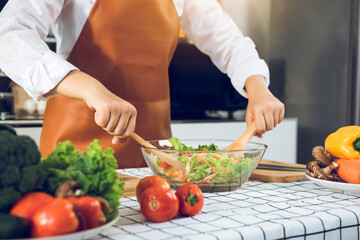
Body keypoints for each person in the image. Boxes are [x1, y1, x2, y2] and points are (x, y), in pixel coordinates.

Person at [0, 0, 284, 168]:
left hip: (156, 156)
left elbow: (230, 43)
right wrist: (91, 89)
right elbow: (9, 36)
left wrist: (257, 88)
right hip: (76, 153)